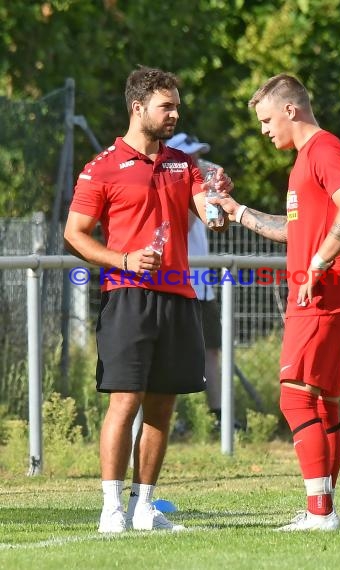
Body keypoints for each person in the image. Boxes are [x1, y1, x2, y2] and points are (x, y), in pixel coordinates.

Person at [63, 66, 232, 533]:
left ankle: (144, 508)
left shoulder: (184, 164)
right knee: (125, 401)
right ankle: (111, 509)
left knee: (163, 405)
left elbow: (207, 212)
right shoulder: (101, 168)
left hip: (180, 297)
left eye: (177, 105)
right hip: (128, 296)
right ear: (138, 108)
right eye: (167, 106)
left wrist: (217, 205)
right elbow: (74, 234)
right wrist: (122, 259)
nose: (175, 114)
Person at [212, 73, 340, 531]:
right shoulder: (305, 160)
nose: (263, 130)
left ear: (291, 110)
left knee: (294, 399)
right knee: (322, 404)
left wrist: (317, 262)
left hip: (321, 289)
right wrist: (237, 210)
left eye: (266, 120)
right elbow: (296, 228)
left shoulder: (323, 149)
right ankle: (325, 507)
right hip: (330, 290)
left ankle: (320, 514)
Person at [165, 133, 223, 428]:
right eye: (190, 156)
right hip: (176, 282)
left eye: (198, 155)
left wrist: (215, 194)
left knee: (211, 350)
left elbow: (215, 224)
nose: (196, 161)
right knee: (172, 353)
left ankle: (218, 418)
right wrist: (198, 193)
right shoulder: (170, 185)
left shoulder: (199, 182)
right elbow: (182, 225)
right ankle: (171, 418)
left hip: (202, 285)